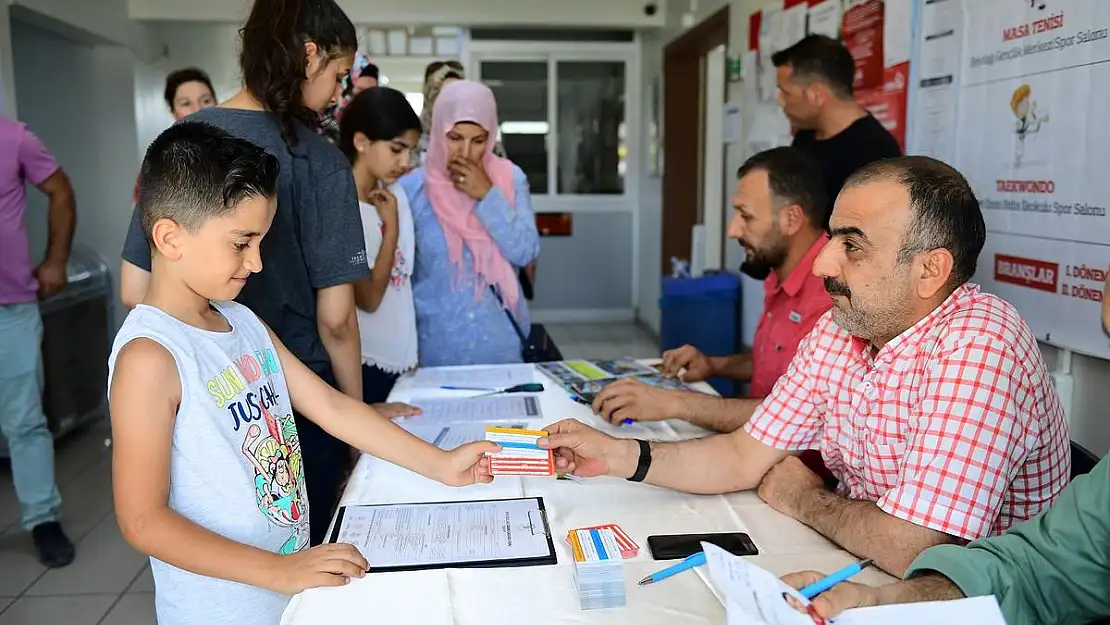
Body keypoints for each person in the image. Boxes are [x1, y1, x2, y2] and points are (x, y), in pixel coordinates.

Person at [538, 156, 1071, 576]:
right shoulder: (846, 326)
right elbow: (742, 454)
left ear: (930, 270)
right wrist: (616, 456)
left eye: (852, 246)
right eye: (832, 238)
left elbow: (916, 547)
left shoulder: (979, 344)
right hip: (866, 568)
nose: (822, 263)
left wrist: (806, 498)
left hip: (970, 601)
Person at [109, 121, 497, 625]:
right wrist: (280, 571)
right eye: (241, 242)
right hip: (223, 607)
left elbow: (333, 407)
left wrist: (441, 465)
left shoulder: (242, 322)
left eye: (261, 242)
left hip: (287, 589)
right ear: (169, 237)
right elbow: (143, 520)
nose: (257, 262)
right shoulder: (151, 357)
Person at [119, 0, 375, 546]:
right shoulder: (320, 161)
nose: (337, 92)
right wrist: (355, 431)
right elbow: (337, 321)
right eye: (337, 74)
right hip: (294, 405)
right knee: (305, 556)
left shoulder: (183, 145)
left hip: (201, 400)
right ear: (309, 57)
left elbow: (133, 286)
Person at [593, 147, 831, 435]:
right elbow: (778, 362)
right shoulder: (781, 274)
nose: (733, 230)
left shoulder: (832, 295)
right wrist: (713, 365)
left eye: (746, 216)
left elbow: (798, 415)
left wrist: (676, 402)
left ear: (792, 219)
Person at [781, 454, 1110, 625]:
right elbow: (1036, 572)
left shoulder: (979, 351)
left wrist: (807, 500)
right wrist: (884, 605)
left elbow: (911, 543)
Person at [400, 80, 540, 367]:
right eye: (454, 137)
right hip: (434, 352)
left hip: (502, 348)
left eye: (478, 141)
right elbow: (401, 280)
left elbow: (525, 251)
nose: (465, 152)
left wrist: (488, 194)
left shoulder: (510, 180)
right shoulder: (411, 190)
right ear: (438, 132)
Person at [0, 116, 77, 568]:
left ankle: (43, 520)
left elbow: (60, 190)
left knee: (24, 420)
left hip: (11, 307)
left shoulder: (13, 136)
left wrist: (56, 259)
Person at [338, 87, 422, 404]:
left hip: (403, 356)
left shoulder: (394, 194)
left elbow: (404, 283)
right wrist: (392, 229)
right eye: (397, 149)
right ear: (361, 142)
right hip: (366, 362)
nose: (405, 161)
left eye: (411, 151)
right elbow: (370, 298)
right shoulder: (342, 205)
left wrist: (411, 349)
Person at [773, 35, 902, 230]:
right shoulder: (804, 138)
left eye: (786, 92)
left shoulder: (877, 153)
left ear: (816, 94)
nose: (780, 101)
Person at [124, 68, 219, 302]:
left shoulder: (235, 155)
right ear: (173, 111)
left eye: (205, 100)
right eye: (186, 103)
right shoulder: (161, 163)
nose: (197, 110)